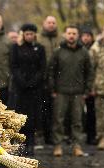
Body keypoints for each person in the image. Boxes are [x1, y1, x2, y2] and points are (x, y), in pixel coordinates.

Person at [49, 25, 93, 157]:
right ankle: (58, 146)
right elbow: (51, 71)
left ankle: (77, 146)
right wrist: (52, 89)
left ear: (77, 35)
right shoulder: (58, 51)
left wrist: (87, 90)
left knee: (77, 121)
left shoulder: (83, 52)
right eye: (69, 33)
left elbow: (90, 72)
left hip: (78, 93)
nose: (71, 35)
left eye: (74, 33)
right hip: (61, 91)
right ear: (65, 35)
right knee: (59, 120)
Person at [10, 24, 45, 155]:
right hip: (20, 89)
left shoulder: (40, 49)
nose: (29, 36)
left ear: (35, 35)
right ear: (23, 35)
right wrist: (21, 81)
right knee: (19, 117)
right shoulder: (16, 47)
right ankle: (19, 144)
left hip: (34, 89)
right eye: (27, 34)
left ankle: (31, 144)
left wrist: (33, 82)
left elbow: (42, 68)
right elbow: (14, 66)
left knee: (32, 118)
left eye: (31, 34)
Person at [37, 16, 62, 144]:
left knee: (55, 110)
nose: (51, 25)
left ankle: (52, 136)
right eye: (49, 22)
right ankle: (42, 134)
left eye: (53, 22)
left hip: (57, 78)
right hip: (41, 78)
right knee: (42, 108)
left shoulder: (60, 39)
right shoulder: (38, 38)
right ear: (44, 23)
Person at [80, 27, 97, 145]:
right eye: (84, 35)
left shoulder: (95, 49)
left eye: (88, 35)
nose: (86, 38)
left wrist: (92, 87)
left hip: (91, 85)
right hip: (78, 85)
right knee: (78, 113)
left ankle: (91, 136)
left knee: (91, 113)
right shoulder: (78, 49)